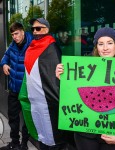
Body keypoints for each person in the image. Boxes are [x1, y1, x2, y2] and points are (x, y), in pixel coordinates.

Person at [55, 27, 115, 150]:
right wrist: (62, 80)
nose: (105, 48)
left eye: (110, 43)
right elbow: (70, 97)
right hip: (85, 133)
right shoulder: (83, 67)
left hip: (113, 133)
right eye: (101, 44)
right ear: (96, 47)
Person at [18, 18, 75, 150]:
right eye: (33, 29)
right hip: (36, 102)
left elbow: (54, 80)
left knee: (54, 138)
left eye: (39, 28)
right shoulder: (32, 47)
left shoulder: (51, 48)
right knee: (42, 136)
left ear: (47, 30)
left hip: (49, 104)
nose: (35, 31)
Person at [0, 22, 33, 150]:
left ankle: (24, 144)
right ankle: (15, 143)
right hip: (14, 89)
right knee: (12, 117)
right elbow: (5, 57)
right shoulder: (13, 46)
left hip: (27, 91)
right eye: (12, 34)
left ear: (22, 32)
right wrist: (4, 64)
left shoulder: (32, 45)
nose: (14, 37)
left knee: (26, 119)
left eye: (16, 33)